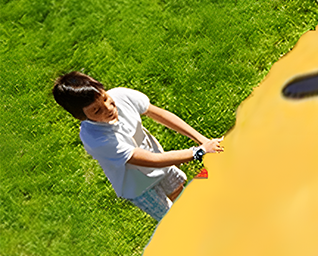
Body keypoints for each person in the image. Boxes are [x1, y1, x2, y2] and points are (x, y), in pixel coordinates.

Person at [52, 72, 224, 222]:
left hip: (161, 161)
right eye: (97, 111)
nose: (109, 108)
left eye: (105, 98)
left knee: (177, 187)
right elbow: (152, 161)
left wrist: (201, 139)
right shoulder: (97, 140)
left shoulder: (120, 96)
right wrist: (198, 151)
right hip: (139, 185)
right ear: (81, 117)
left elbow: (160, 114)